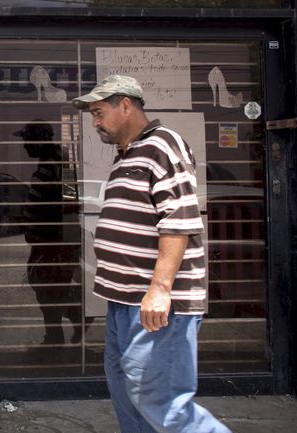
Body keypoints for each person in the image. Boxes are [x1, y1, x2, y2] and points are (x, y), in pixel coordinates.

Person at [71, 75, 232, 433]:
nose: (95, 122)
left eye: (99, 112)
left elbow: (179, 221)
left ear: (125, 105)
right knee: (128, 391)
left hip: (155, 306)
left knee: (163, 402)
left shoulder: (162, 145)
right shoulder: (129, 154)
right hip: (124, 301)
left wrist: (160, 289)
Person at [14, 120, 82, 346]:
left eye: (27, 141)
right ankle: (58, 330)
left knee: (48, 287)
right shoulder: (52, 163)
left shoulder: (57, 165)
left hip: (54, 243)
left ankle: (72, 318)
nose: (24, 146)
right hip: (48, 242)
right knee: (45, 286)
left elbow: (70, 205)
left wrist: (62, 243)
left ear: (37, 141)